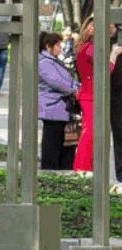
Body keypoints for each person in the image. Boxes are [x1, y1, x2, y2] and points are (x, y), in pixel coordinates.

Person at [73, 18, 120, 176]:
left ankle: (85, 167)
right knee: (90, 133)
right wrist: (113, 54)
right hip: (91, 95)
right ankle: (83, 168)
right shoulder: (91, 49)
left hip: (88, 93)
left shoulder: (84, 47)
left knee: (90, 132)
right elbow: (105, 71)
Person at [38, 32, 78, 171]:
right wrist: (75, 89)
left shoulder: (53, 61)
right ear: (48, 46)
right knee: (52, 144)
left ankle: (63, 170)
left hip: (62, 109)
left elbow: (67, 80)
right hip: (53, 109)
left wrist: (77, 87)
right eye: (57, 45)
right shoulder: (44, 62)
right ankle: (50, 172)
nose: (60, 48)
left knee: (66, 144)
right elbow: (58, 82)